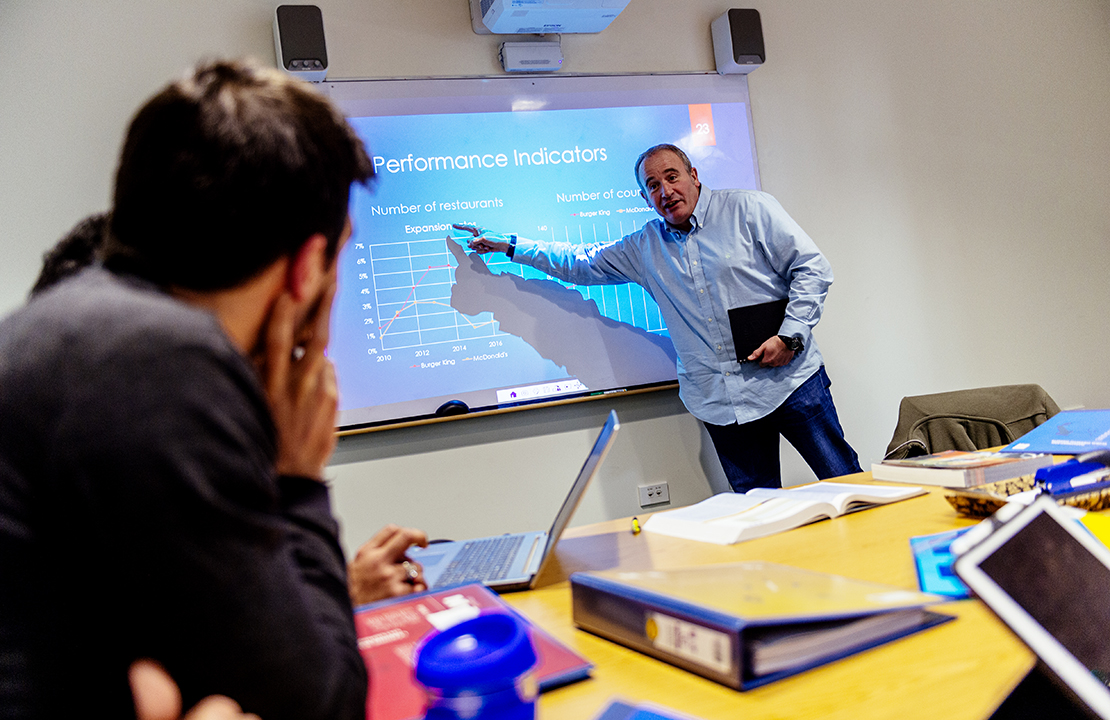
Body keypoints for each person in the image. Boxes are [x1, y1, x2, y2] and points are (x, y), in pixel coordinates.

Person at [0, 59, 426, 720]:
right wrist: (296, 479)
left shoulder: (73, 331)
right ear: (307, 266)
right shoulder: (163, 362)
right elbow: (317, 702)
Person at [463, 143, 861, 492]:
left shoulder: (748, 208)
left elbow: (812, 268)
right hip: (722, 403)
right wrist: (511, 246)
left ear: (694, 176)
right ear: (645, 196)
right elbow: (579, 263)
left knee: (848, 484)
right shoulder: (644, 247)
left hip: (791, 383)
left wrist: (791, 336)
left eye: (672, 177)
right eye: (653, 185)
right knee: (761, 513)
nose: (665, 190)